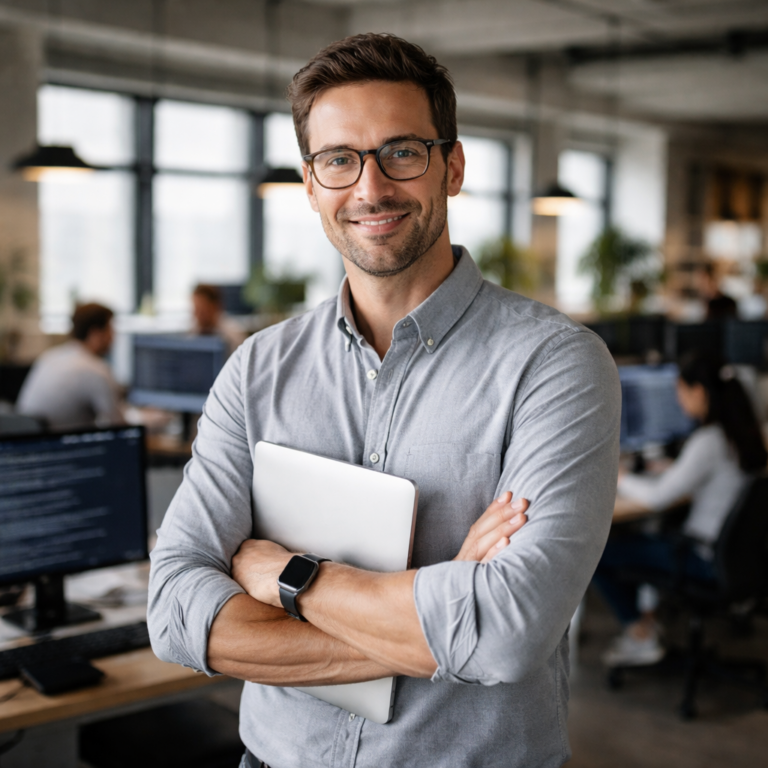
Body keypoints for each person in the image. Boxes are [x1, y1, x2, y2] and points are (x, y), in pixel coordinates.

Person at [148, 33, 620, 768]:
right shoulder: (257, 370)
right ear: (310, 183)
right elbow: (176, 613)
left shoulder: (555, 365)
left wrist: (286, 577)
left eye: (401, 151)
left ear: (451, 166)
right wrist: (429, 614)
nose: (369, 189)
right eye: (339, 159)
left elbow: (505, 634)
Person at [596, 351, 767, 667]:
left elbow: (658, 497)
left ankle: (640, 634)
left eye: (680, 391)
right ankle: (650, 620)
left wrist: (619, 475)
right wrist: (676, 468)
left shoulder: (708, 441)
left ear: (698, 391)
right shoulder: (743, 435)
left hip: (703, 558)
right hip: (738, 560)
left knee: (599, 551)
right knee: (649, 534)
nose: (677, 400)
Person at [17, 302, 124, 431]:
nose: (114, 337)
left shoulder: (49, 357)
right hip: (63, 447)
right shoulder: (96, 370)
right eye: (110, 329)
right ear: (95, 334)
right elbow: (119, 429)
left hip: (25, 443)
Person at [191, 283, 246, 356]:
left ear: (215, 306)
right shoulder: (194, 333)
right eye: (195, 310)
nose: (196, 315)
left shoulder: (233, 335)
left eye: (202, 311)